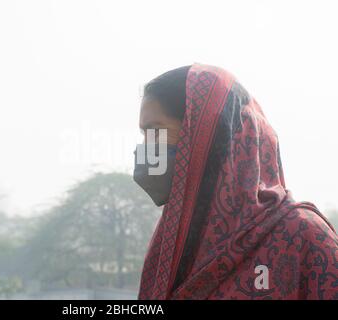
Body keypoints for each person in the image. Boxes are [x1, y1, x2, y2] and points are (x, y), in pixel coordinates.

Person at [133, 63, 338, 300]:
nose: (145, 148)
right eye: (143, 135)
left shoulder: (302, 237)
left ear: (207, 134)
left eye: (155, 132)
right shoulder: (170, 243)